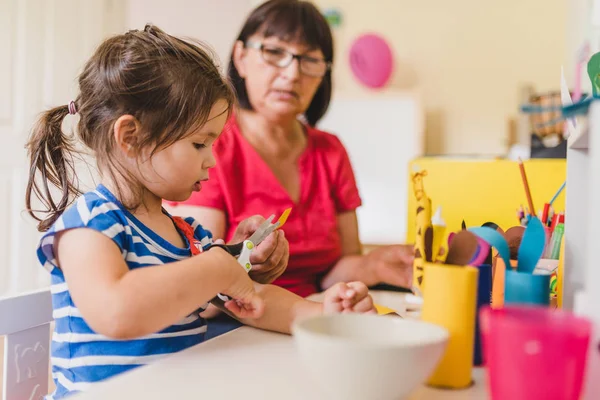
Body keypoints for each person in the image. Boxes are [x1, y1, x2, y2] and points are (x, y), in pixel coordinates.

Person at [25, 24, 375, 400]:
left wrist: (323, 316)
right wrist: (216, 269)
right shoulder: (88, 226)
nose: (211, 161)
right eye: (198, 144)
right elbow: (116, 312)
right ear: (130, 137)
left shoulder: (189, 235)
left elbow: (254, 301)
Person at [166, 0, 415, 301]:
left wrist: (373, 265)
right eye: (274, 52)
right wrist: (245, 259)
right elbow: (199, 276)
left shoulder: (331, 151)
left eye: (309, 59)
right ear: (241, 57)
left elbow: (332, 273)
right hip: (236, 322)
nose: (293, 73)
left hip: (315, 317)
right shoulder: (211, 145)